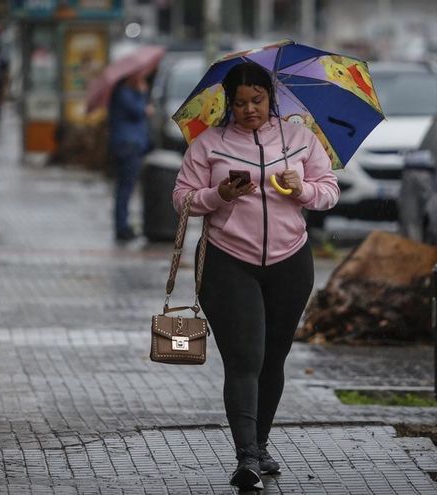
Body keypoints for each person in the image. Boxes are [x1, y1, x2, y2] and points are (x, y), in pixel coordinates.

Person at [172, 62, 339, 491]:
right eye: (241, 102)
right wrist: (219, 194)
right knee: (245, 359)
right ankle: (246, 457)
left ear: (271, 98)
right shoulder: (210, 144)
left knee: (273, 357)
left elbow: (329, 191)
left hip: (291, 262)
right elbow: (182, 199)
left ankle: (261, 445)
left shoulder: (299, 138)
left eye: (258, 100)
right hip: (228, 262)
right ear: (229, 103)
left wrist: (301, 189)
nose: (250, 109)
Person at [108, 72, 153, 241]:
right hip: (128, 145)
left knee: (126, 187)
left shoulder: (125, 92)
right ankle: (122, 226)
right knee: (125, 187)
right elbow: (140, 111)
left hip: (129, 144)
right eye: (139, 76)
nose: (142, 78)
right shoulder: (124, 93)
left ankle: (123, 224)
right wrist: (143, 93)